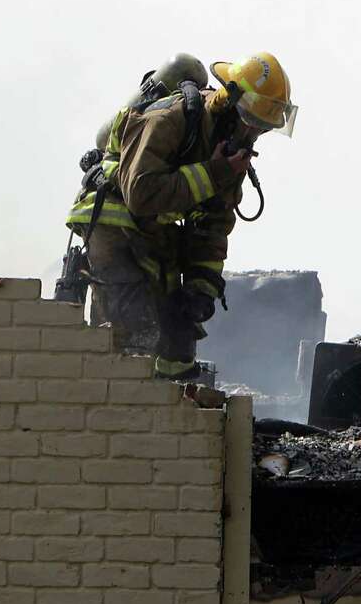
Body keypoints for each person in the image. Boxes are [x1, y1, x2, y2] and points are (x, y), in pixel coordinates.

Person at [65, 52, 296, 379]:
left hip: (155, 234)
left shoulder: (228, 156)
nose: (253, 135)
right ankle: (107, 409)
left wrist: (201, 288)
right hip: (112, 223)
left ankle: (169, 420)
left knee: (178, 345)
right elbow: (141, 195)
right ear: (228, 102)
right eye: (251, 122)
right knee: (134, 332)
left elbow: (213, 225)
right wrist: (213, 173)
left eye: (263, 128)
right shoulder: (169, 119)